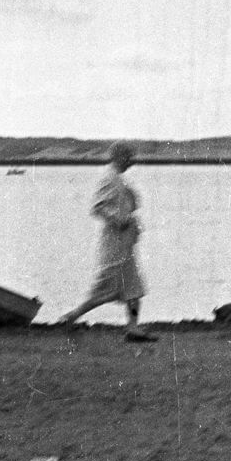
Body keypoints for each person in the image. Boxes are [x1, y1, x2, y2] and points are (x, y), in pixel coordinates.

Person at [58, 141, 154, 341]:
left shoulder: (117, 178)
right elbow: (97, 207)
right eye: (129, 157)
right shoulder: (109, 179)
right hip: (115, 243)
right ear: (119, 157)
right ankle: (70, 317)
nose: (132, 162)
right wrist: (119, 220)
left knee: (134, 288)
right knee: (105, 288)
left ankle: (133, 328)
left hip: (124, 242)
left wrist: (128, 221)